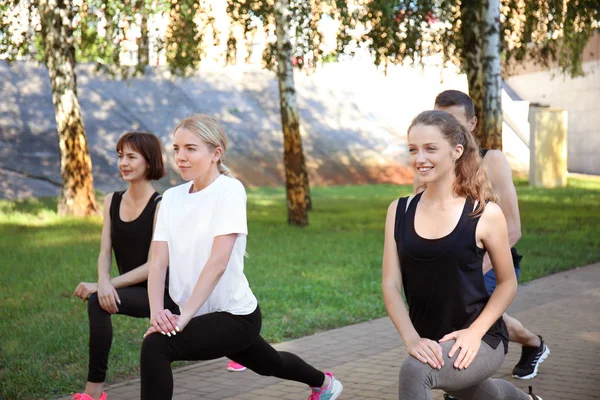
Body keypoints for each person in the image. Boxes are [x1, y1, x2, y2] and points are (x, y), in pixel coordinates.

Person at [139, 115, 343, 400]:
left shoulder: (230, 190)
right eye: (176, 148)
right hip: (199, 314)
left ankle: (324, 384)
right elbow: (158, 261)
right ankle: (324, 383)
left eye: (190, 148)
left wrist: (182, 318)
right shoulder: (171, 198)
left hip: (234, 316)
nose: (181, 157)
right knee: (270, 363)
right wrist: (157, 311)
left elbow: (217, 263)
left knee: (157, 347)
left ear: (216, 153)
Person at [382, 110, 542, 399]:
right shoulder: (399, 210)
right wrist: (412, 338)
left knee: (415, 371)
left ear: (457, 151)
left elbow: (506, 283)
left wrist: (474, 333)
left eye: (431, 148)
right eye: (413, 149)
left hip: (481, 339)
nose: (420, 158)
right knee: (483, 395)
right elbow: (391, 284)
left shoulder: (484, 213)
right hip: (430, 338)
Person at [415, 90, 550, 381]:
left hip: (490, 259)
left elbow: (513, 227)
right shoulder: (429, 164)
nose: (445, 129)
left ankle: (525, 347)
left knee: (473, 316)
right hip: (450, 260)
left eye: (453, 121)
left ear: (473, 123)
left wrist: (474, 269)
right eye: (439, 121)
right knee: (454, 316)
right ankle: (529, 345)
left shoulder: (493, 161)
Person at [72, 132, 179, 400]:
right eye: (121, 156)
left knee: (98, 298)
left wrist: (103, 285)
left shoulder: (161, 205)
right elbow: (104, 251)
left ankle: (239, 351)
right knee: (98, 301)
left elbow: (154, 265)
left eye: (132, 156)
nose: (123, 163)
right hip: (132, 290)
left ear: (150, 161)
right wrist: (103, 279)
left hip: (163, 294)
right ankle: (94, 392)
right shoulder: (112, 200)